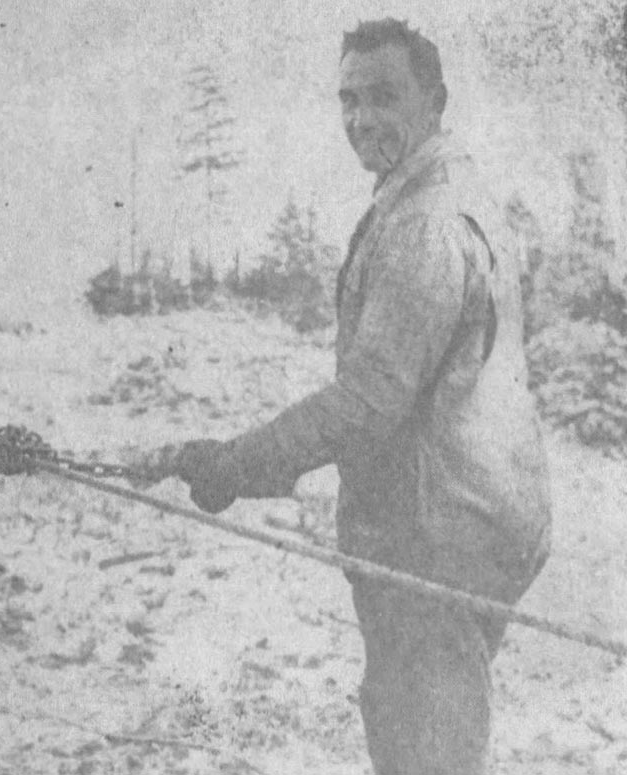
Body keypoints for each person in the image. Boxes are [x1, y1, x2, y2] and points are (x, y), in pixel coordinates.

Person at [138, 17, 552, 775]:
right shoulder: (439, 192)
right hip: (470, 522)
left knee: (423, 739)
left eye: (383, 97)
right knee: (426, 718)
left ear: (436, 100)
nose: (361, 120)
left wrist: (241, 461)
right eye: (348, 100)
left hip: (439, 538)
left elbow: (369, 398)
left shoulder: (427, 220)